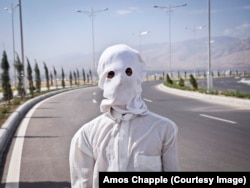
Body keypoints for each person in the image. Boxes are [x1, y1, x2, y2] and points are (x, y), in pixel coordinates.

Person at [69, 44, 179, 188]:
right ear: (102, 80)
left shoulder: (164, 129)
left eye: (128, 71)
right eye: (111, 74)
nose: (120, 80)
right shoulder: (86, 135)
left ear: (138, 76)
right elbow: (82, 184)